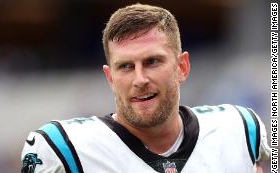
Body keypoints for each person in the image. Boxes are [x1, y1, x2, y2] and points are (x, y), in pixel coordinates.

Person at [21, 3, 271, 173]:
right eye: (126, 67)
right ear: (110, 77)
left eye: (152, 62)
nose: (139, 79)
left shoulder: (240, 129)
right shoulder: (62, 148)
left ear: (181, 67)